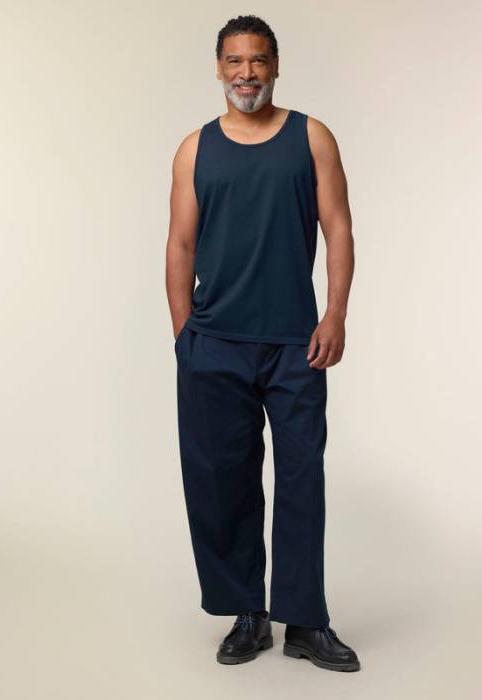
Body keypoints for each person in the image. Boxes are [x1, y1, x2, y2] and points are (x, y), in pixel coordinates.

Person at [165, 14, 359, 672]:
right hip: (214, 344)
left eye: (257, 61)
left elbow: (338, 228)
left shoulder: (312, 138)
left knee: (303, 477)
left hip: (294, 344)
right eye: (234, 61)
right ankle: (247, 613)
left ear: (275, 66)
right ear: (218, 68)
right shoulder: (195, 149)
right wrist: (185, 336)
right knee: (224, 481)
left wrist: (334, 315)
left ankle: (304, 620)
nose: (246, 73)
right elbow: (180, 244)